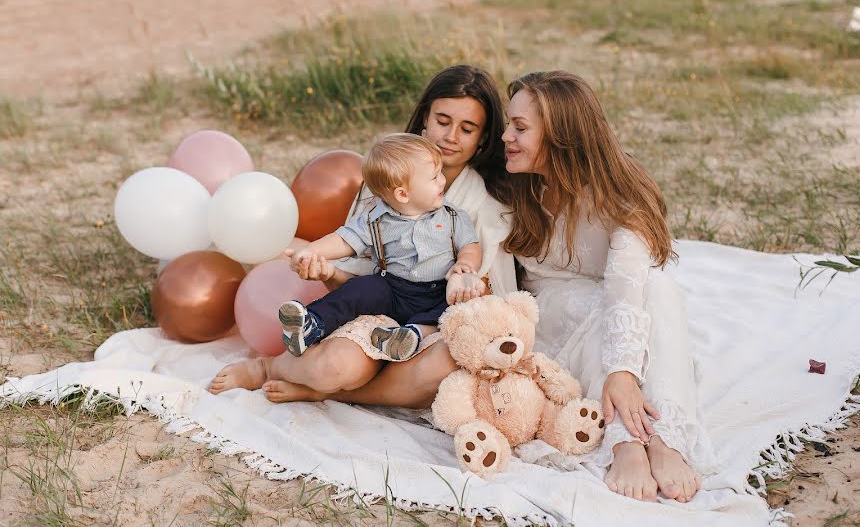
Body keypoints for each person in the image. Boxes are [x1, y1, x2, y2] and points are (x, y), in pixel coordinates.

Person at [208, 65, 515, 409]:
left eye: (467, 128)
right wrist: (326, 269)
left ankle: (327, 393)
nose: (451, 136)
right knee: (334, 366)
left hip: (434, 320)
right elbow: (353, 253)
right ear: (425, 119)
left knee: (446, 367)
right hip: (381, 308)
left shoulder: (481, 208)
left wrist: (464, 277)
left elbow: (484, 289)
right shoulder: (383, 187)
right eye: (443, 121)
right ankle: (269, 367)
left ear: (483, 138)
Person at [501, 71, 717, 503]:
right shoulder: (512, 183)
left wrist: (622, 371)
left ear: (562, 135)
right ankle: (625, 443)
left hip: (621, 303)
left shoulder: (620, 189)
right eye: (510, 123)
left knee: (655, 288)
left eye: (521, 128)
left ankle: (662, 438)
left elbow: (625, 281)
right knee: (608, 306)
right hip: (551, 317)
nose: (506, 136)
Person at [278, 133, 483, 361]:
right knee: (358, 290)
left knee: (451, 312)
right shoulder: (375, 220)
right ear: (403, 194)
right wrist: (311, 252)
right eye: (434, 177)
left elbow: (470, 245)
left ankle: (409, 336)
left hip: (438, 291)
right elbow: (343, 240)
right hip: (392, 290)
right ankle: (312, 324)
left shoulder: (453, 217)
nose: (442, 181)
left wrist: (465, 264)